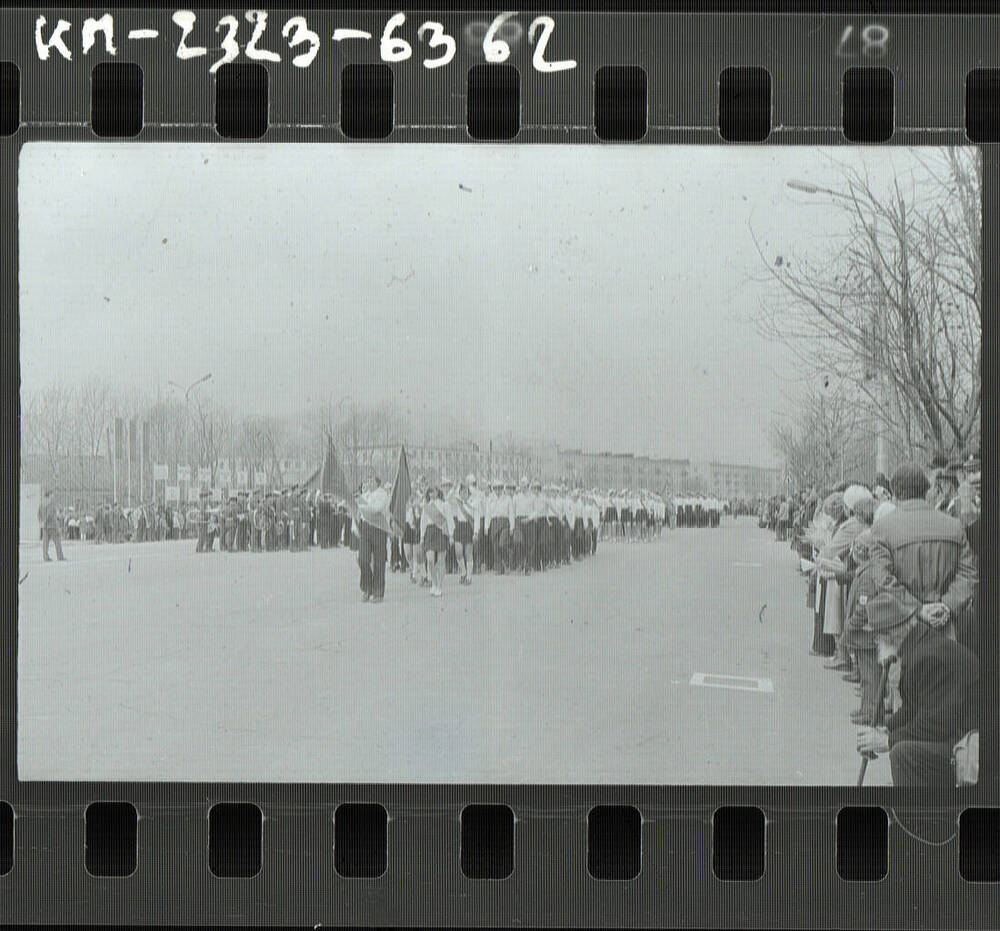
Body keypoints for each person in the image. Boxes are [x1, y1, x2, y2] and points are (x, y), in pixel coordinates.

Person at [856, 591, 979, 787]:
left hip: (971, 742)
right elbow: (914, 707)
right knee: (903, 748)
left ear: (891, 633)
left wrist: (887, 741)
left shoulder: (925, 657)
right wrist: (887, 728)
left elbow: (934, 725)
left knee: (903, 754)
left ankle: (915, 813)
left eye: (877, 637)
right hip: (961, 731)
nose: (876, 643)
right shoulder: (919, 646)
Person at [870, 463, 978, 644]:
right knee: (945, 670)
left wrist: (919, 609)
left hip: (903, 628)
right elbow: (968, 573)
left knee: (904, 671)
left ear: (895, 492)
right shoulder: (954, 525)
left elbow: (882, 579)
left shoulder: (882, 528)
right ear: (926, 490)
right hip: (945, 625)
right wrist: (947, 605)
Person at [357, 478, 389, 603]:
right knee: (363, 559)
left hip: (378, 528)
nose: (368, 483)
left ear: (377, 483)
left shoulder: (382, 494)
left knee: (378, 561)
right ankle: (367, 588)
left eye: (371, 481)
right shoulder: (366, 495)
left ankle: (378, 592)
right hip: (365, 528)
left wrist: (362, 506)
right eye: (368, 480)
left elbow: (376, 509)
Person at [420, 484, 454, 597]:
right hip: (430, 532)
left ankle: (439, 585)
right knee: (430, 560)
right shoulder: (427, 506)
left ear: (438, 492)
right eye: (429, 492)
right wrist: (422, 536)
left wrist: (451, 536)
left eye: (433, 491)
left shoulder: (445, 505)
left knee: (440, 560)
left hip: (441, 532)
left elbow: (449, 520)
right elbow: (423, 522)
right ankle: (434, 583)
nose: (431, 494)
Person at [38, 490, 66, 562]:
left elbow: (38, 514)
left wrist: (42, 522)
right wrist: (46, 521)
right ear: (49, 495)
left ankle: (45, 557)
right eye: (52, 495)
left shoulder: (41, 504)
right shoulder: (51, 503)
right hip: (52, 525)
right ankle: (60, 556)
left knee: (45, 543)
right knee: (57, 541)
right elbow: (50, 514)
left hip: (45, 526)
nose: (53, 496)